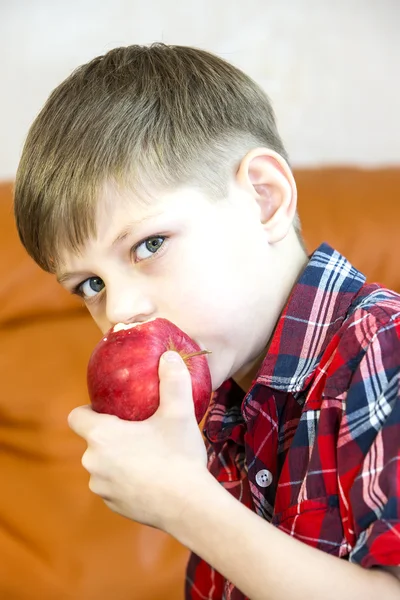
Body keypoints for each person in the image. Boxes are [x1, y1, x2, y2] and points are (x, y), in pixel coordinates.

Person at [13, 44, 400, 599]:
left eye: (149, 244)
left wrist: (187, 504)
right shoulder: (220, 397)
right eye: (90, 286)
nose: (119, 312)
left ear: (264, 200)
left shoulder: (384, 348)